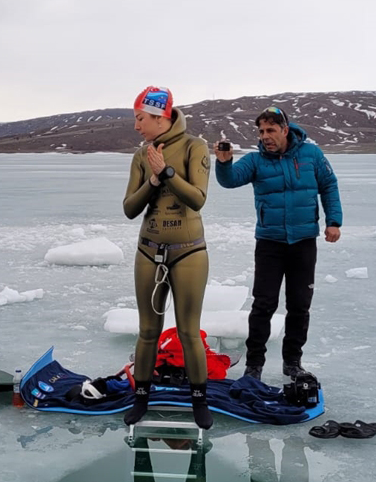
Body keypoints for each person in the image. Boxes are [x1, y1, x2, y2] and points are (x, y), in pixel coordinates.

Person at [214, 106, 342, 386]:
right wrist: (223, 162)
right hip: (270, 242)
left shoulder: (312, 154)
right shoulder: (256, 161)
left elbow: (329, 185)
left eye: (271, 130)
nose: (265, 136)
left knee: (299, 305)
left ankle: (293, 363)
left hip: (304, 241)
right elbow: (230, 180)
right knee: (263, 305)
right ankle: (254, 365)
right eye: (261, 131)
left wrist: (333, 221)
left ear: (285, 129)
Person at [122, 86, 213, 430]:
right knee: (148, 330)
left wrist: (169, 174)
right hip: (149, 249)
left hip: (188, 251)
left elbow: (198, 199)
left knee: (189, 331)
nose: (136, 126)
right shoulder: (141, 155)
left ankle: (199, 400)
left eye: (140, 118)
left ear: (160, 117)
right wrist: (153, 178)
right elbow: (130, 208)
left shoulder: (194, 146)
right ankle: (141, 397)